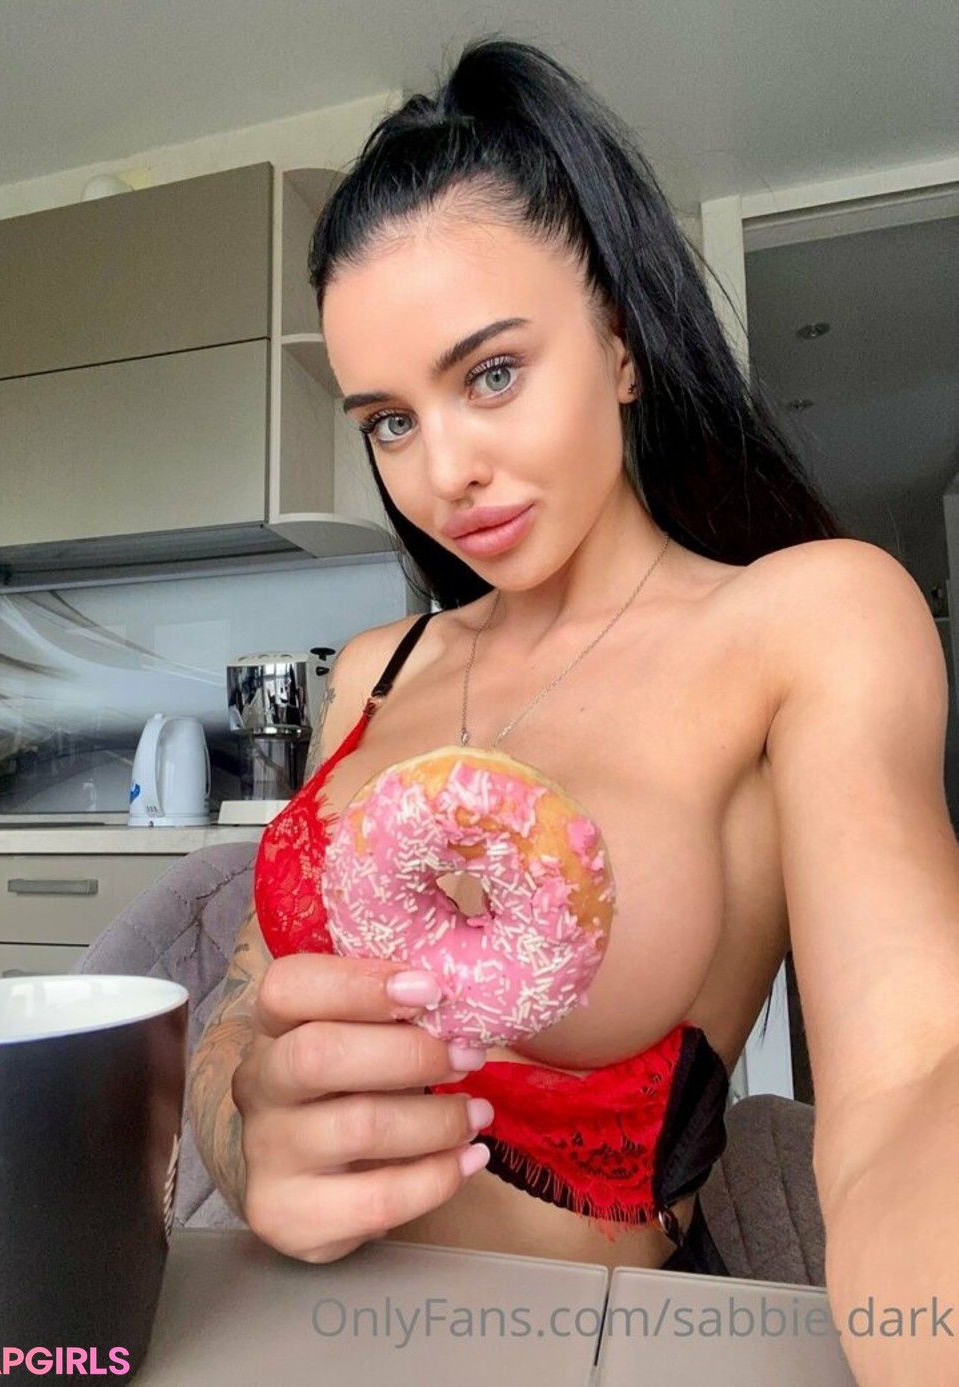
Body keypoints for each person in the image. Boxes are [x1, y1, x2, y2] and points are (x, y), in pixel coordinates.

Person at [189, 39, 959, 1385]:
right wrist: (253, 1139)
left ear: (618, 343)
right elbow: (245, 1021)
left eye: (490, 374)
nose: (445, 471)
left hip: (564, 1352)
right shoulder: (373, 671)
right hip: (262, 1321)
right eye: (388, 422)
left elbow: (910, 1083)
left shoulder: (804, 620)